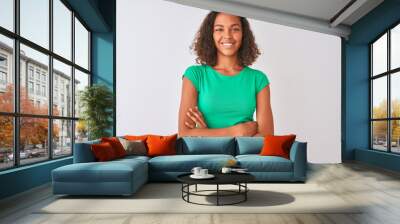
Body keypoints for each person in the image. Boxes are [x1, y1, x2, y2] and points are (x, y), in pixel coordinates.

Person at [178, 11, 274, 137]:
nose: (227, 36)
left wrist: (206, 133)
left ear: (243, 34)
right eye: (219, 29)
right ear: (210, 34)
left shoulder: (258, 79)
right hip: (206, 155)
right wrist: (237, 131)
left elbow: (266, 136)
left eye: (234, 29)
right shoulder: (195, 75)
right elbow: (184, 134)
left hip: (246, 155)